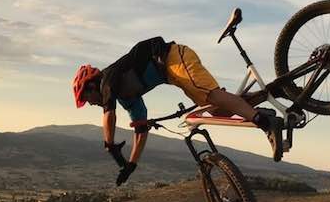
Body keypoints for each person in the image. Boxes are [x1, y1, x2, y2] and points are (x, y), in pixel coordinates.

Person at [71, 36, 284, 185]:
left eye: (86, 98)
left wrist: (109, 144)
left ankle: (266, 123)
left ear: (91, 85)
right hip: (173, 74)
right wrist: (131, 165)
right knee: (220, 110)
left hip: (175, 58)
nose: (90, 103)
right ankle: (276, 92)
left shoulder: (108, 80)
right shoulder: (126, 97)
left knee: (212, 96)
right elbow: (141, 130)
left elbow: (109, 114)